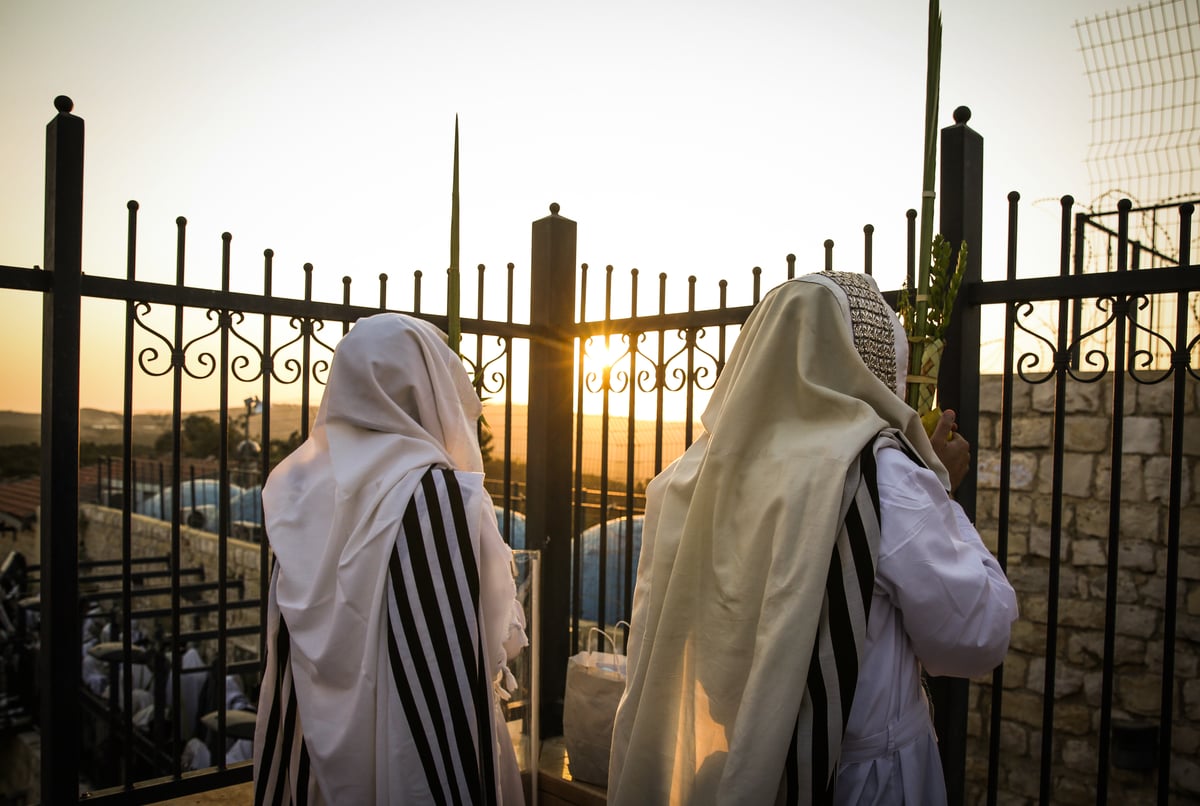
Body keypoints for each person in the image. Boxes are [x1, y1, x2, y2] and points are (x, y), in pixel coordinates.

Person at [607, 271, 1017, 805]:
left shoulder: (694, 475)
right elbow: (975, 635)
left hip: (746, 767)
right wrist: (939, 487)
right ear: (869, 361)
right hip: (862, 782)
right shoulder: (881, 476)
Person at [253, 313, 527, 805]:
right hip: (417, 751)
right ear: (429, 388)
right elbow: (491, 640)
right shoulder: (441, 496)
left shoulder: (296, 489)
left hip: (314, 748)